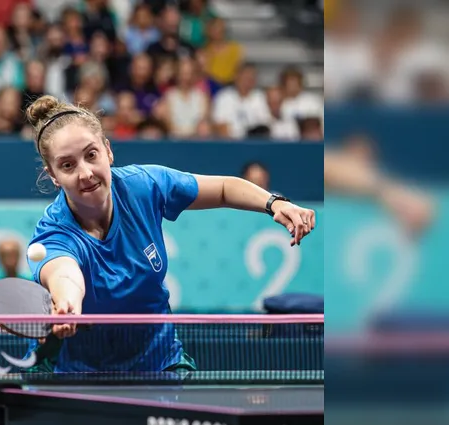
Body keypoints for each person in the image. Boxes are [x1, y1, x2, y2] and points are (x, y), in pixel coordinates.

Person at [23, 94, 316, 376]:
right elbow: (65, 275)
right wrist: (68, 304)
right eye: (67, 165)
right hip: (79, 371)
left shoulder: (144, 186)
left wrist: (274, 203)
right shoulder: (54, 232)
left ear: (108, 151)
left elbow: (224, 189)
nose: (85, 173)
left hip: (158, 359)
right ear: (53, 175)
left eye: (91, 155)